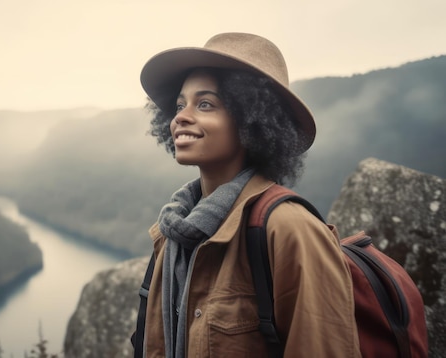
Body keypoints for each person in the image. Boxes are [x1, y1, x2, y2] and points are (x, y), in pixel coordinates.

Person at [136, 33, 361, 357]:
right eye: (179, 104)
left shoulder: (290, 230)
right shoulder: (173, 233)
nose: (181, 117)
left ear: (252, 119)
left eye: (205, 104)